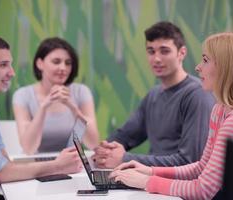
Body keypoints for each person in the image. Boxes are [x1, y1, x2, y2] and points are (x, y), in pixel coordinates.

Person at [109, 31, 233, 200]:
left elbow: (204, 190)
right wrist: (150, 171)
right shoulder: (219, 111)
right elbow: (201, 167)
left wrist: (147, 181)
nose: (198, 67)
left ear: (226, 67)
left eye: (205, 60)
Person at [0, 34, 82, 200]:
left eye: (11, 64)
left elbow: (3, 159)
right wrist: (57, 166)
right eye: (3, 65)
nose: (12, 73)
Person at [92, 21, 215, 168]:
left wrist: (125, 159)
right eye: (151, 51)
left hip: (175, 187)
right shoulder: (153, 94)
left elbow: (191, 161)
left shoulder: (197, 95)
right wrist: (104, 151)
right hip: (150, 181)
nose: (156, 59)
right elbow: (125, 135)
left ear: (182, 53)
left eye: (164, 51)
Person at [13, 37, 99, 154]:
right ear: (40, 63)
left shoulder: (81, 92)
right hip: (37, 166)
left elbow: (93, 143)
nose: (63, 68)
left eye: (68, 63)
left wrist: (73, 108)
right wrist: (43, 107)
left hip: (73, 164)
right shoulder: (23, 95)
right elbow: (28, 148)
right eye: (56, 62)